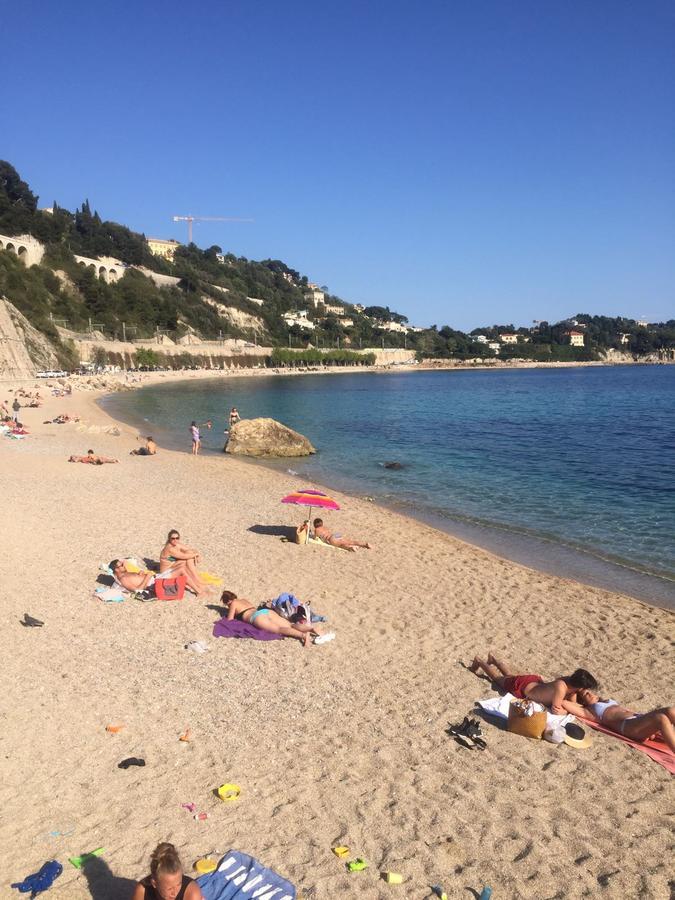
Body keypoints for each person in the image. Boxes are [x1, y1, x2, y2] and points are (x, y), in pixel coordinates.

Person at [469, 651, 598, 714]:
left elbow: (573, 702)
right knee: (498, 679)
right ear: (580, 686)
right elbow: (556, 709)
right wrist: (568, 711)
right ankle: (479, 661)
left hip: (533, 682)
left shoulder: (567, 681)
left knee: (509, 676)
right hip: (524, 687)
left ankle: (494, 659)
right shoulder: (562, 688)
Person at [561, 689, 675, 752]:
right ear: (583, 702)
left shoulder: (605, 701)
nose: (589, 693)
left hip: (638, 719)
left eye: (589, 691)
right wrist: (573, 692)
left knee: (670, 711)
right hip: (629, 727)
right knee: (661, 718)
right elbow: (564, 702)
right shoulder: (589, 711)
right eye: (585, 694)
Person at [221, 590, 323, 647]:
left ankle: (303, 636)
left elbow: (230, 619)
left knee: (279, 629)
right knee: (290, 625)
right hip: (265, 611)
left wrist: (228, 613)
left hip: (256, 617)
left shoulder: (233, 603)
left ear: (228, 601)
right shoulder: (243, 600)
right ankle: (311, 629)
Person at [132, 841, 203, 900]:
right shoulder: (142, 891)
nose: (175, 892)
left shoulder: (191, 893)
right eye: (169, 889)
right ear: (154, 883)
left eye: (179, 884)